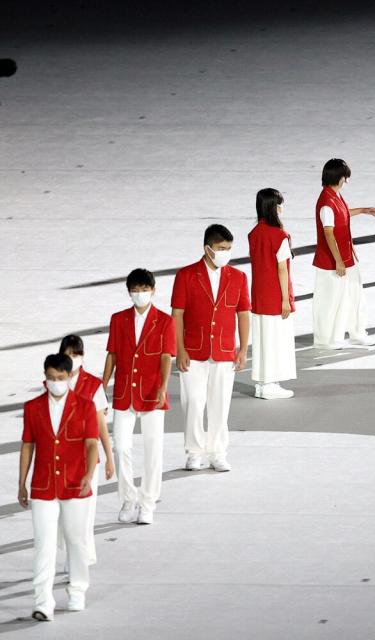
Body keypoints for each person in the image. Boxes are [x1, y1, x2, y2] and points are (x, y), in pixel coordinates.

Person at [18, 354, 99, 621]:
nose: (55, 383)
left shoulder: (85, 406)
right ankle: (43, 602)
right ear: (45, 378)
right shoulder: (32, 408)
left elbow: (90, 443)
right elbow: (28, 446)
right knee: (43, 544)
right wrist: (22, 483)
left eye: (60, 379)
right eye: (51, 379)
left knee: (76, 541)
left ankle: (77, 590)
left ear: (68, 377)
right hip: (43, 486)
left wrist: (89, 473)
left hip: (75, 484)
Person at [172, 225, 250, 472]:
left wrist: (243, 349)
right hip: (193, 352)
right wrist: (180, 349)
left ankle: (217, 451)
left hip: (224, 352)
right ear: (208, 249)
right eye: (221, 249)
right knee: (193, 402)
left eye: (228, 249)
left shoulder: (238, 278)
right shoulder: (186, 275)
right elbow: (177, 315)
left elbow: (243, 314)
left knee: (220, 404)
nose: (226, 253)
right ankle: (194, 452)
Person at [103, 268, 175, 523]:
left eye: (144, 289)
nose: (140, 294)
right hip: (124, 392)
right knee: (121, 446)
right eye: (135, 290)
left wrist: (163, 387)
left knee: (153, 449)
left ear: (153, 290)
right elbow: (112, 354)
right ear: (129, 292)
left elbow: (166, 356)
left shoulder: (165, 321)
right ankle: (128, 498)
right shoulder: (118, 319)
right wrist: (103, 386)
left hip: (152, 393)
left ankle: (147, 503)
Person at [313, 158, 375, 349]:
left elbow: (342, 213)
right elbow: (328, 232)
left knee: (354, 297)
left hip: (347, 256)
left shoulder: (335, 195)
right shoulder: (326, 202)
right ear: (339, 178)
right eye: (345, 177)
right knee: (331, 300)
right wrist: (338, 261)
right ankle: (325, 340)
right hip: (333, 261)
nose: (347, 181)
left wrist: (363, 210)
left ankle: (357, 333)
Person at [56, 335, 112, 566]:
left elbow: (100, 424)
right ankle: (74, 555)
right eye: (68, 354)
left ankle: (81, 556)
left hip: (88, 458)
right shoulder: (55, 382)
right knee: (65, 512)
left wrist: (109, 457)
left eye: (76, 354)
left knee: (86, 511)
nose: (73, 358)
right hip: (61, 459)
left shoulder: (93, 385)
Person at [248, 188, 296, 400]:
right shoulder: (280, 235)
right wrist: (285, 299)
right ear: (274, 208)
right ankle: (270, 384)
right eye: (280, 203)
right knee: (276, 340)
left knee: (262, 339)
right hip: (276, 296)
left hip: (259, 294)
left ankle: (262, 383)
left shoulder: (254, 234)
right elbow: (282, 268)